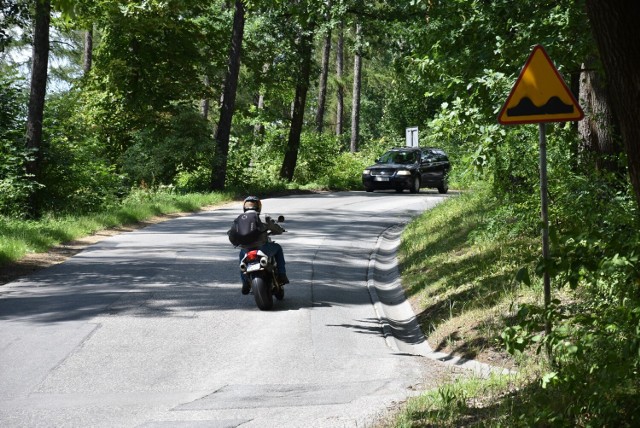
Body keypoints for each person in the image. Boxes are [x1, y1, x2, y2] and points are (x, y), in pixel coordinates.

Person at [232, 196, 289, 294]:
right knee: (278, 248)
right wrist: (281, 230)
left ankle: (245, 282)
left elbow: (231, 235)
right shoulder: (263, 217)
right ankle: (282, 274)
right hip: (263, 248)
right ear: (258, 206)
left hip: (246, 250)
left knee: (242, 260)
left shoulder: (238, 220)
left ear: (244, 207)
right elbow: (276, 228)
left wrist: (237, 243)